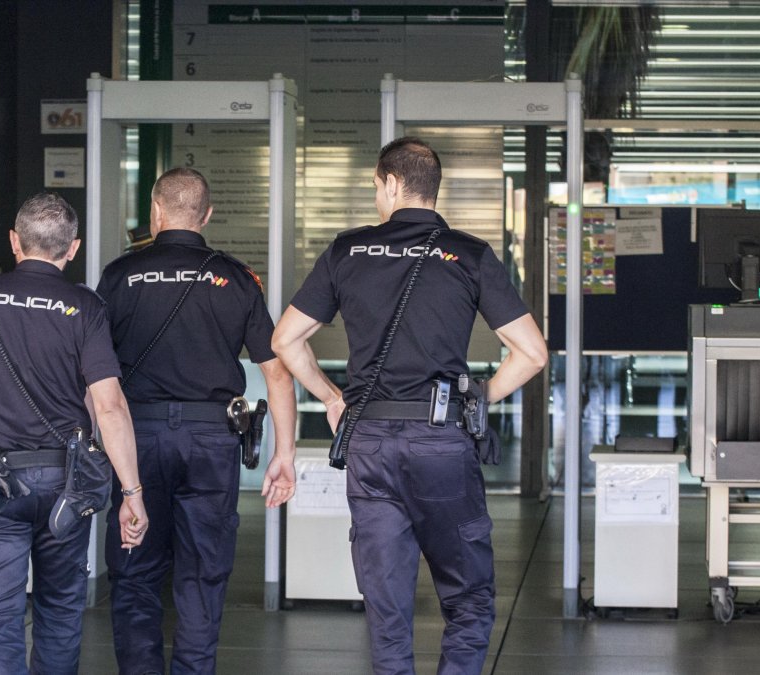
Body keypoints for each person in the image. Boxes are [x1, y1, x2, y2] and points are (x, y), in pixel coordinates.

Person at [271, 137, 548, 675]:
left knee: (387, 610)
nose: (376, 195)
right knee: (468, 600)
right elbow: (532, 354)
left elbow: (286, 341)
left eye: (376, 185)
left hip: (369, 446)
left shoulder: (347, 250)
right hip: (441, 443)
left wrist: (332, 399)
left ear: (392, 183)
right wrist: (477, 399)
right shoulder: (468, 254)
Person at [0, 192, 148, 675]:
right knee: (60, 606)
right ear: (72, 249)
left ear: (13, 241)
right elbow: (109, 406)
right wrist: (131, 490)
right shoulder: (84, 307)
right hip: (64, 483)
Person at [96, 167, 298, 675]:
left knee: (135, 567)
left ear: (155, 212)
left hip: (136, 437)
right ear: (206, 215)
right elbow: (277, 374)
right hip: (211, 440)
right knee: (203, 572)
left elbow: (92, 371)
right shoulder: (235, 278)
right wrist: (284, 454)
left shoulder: (120, 276)